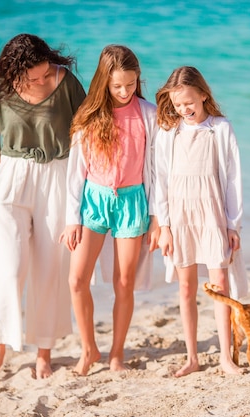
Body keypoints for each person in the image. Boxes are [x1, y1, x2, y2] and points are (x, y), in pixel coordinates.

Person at [0, 33, 86, 381]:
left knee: (50, 269)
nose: (41, 79)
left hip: (57, 174)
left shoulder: (65, 81)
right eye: (33, 76)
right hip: (11, 175)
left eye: (44, 72)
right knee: (7, 268)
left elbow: (83, 133)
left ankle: (44, 354)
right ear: (13, 70)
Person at [59, 44, 159, 375]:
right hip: (94, 201)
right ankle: (89, 350)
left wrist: (158, 217)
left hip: (132, 202)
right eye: (117, 86)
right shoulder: (88, 117)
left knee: (124, 282)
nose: (124, 91)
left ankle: (117, 353)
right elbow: (76, 171)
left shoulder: (148, 113)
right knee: (76, 280)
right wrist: (72, 218)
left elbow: (157, 169)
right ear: (104, 82)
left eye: (130, 84)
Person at [154, 66, 248, 377]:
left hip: (212, 215)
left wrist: (233, 225)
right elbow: (160, 181)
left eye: (189, 103)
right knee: (185, 287)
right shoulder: (169, 132)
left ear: (204, 95)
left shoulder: (220, 129)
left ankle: (225, 357)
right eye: (178, 105)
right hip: (180, 217)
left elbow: (233, 179)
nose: (184, 110)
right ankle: (192, 357)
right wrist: (164, 227)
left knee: (219, 285)